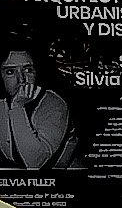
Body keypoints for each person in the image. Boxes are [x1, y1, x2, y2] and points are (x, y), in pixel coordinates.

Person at [0, 42, 74, 172]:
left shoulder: (54, 104)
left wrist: (18, 107)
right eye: (10, 72)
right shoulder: (2, 102)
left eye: (28, 70)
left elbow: (35, 162)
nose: (22, 79)